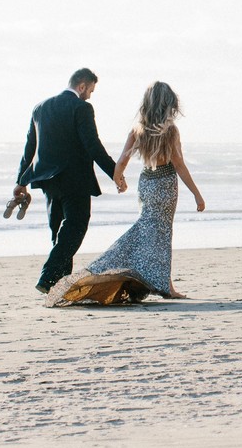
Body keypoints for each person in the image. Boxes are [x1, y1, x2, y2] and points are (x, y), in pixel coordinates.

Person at [45, 80, 205, 306]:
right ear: (169, 103)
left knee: (146, 229)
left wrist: (119, 180)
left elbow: (121, 161)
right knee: (162, 234)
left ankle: (152, 279)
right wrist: (197, 195)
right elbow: (179, 165)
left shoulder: (137, 129)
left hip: (146, 184)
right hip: (165, 184)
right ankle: (166, 286)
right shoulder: (171, 131)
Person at [13, 68, 123, 294]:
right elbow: (92, 145)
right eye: (90, 90)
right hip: (75, 179)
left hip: (48, 181)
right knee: (76, 226)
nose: (90, 95)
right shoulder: (81, 108)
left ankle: (59, 286)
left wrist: (20, 181)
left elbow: (29, 149)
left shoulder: (40, 108)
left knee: (59, 232)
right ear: (81, 86)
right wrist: (115, 173)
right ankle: (48, 276)